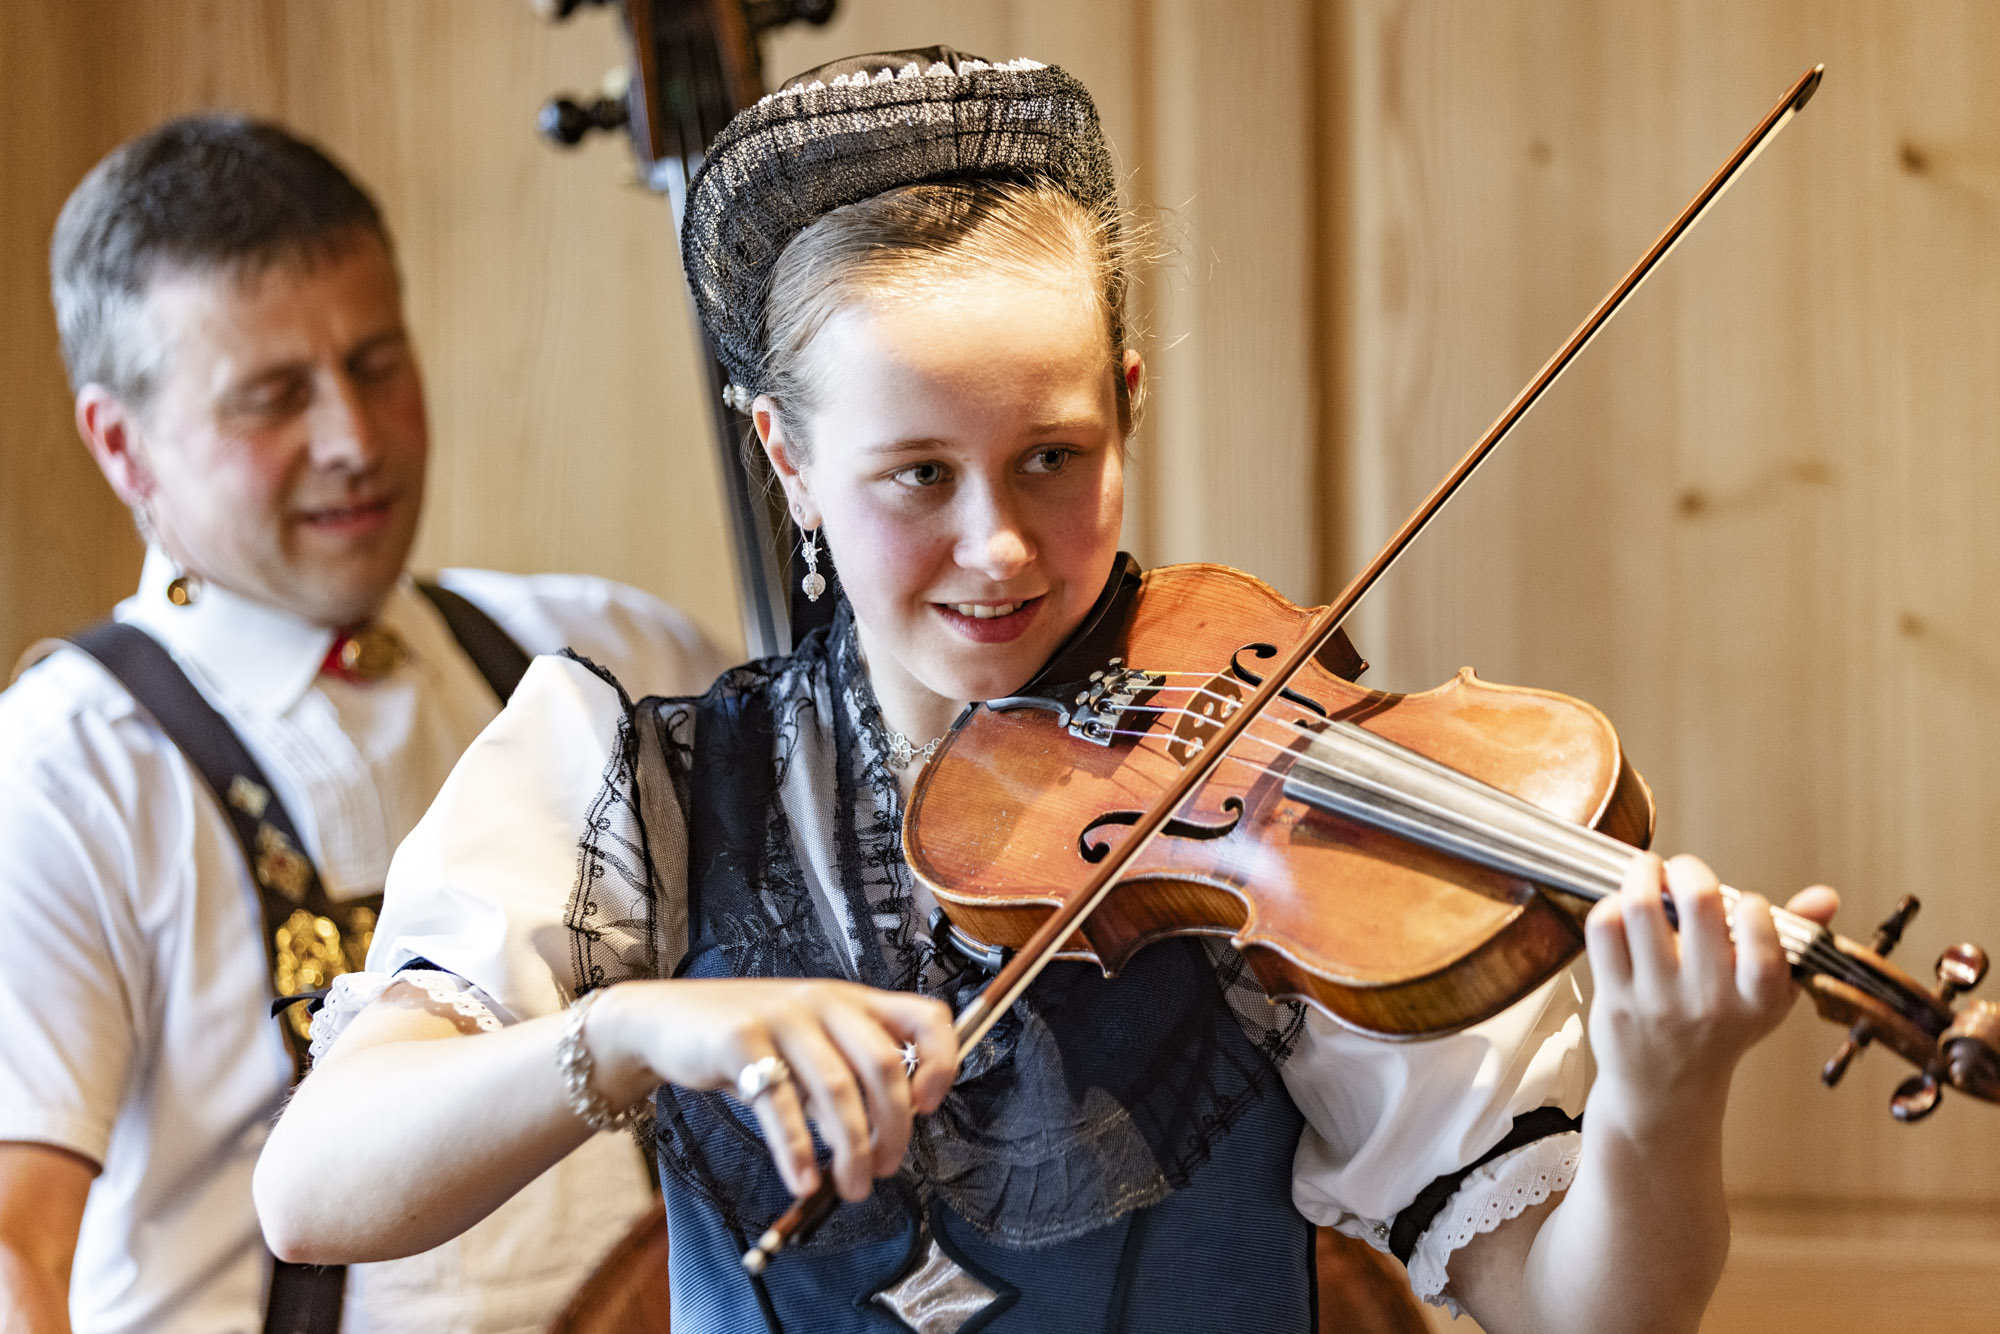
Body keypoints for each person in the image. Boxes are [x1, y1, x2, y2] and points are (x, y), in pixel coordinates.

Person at [253, 49, 1841, 1333]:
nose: (998, 546)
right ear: (787, 457)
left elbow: (1590, 1309)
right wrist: (631, 1029)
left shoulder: (1270, 813)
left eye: (1053, 458)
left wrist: (1663, 1093)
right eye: (916, 475)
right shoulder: (632, 782)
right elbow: (318, 1187)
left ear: (1126, 406)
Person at [0, 116, 730, 1334]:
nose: (353, 438)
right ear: (122, 446)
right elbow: (15, 1251)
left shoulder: (614, 658)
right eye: (274, 397)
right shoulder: (63, 766)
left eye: (378, 362)